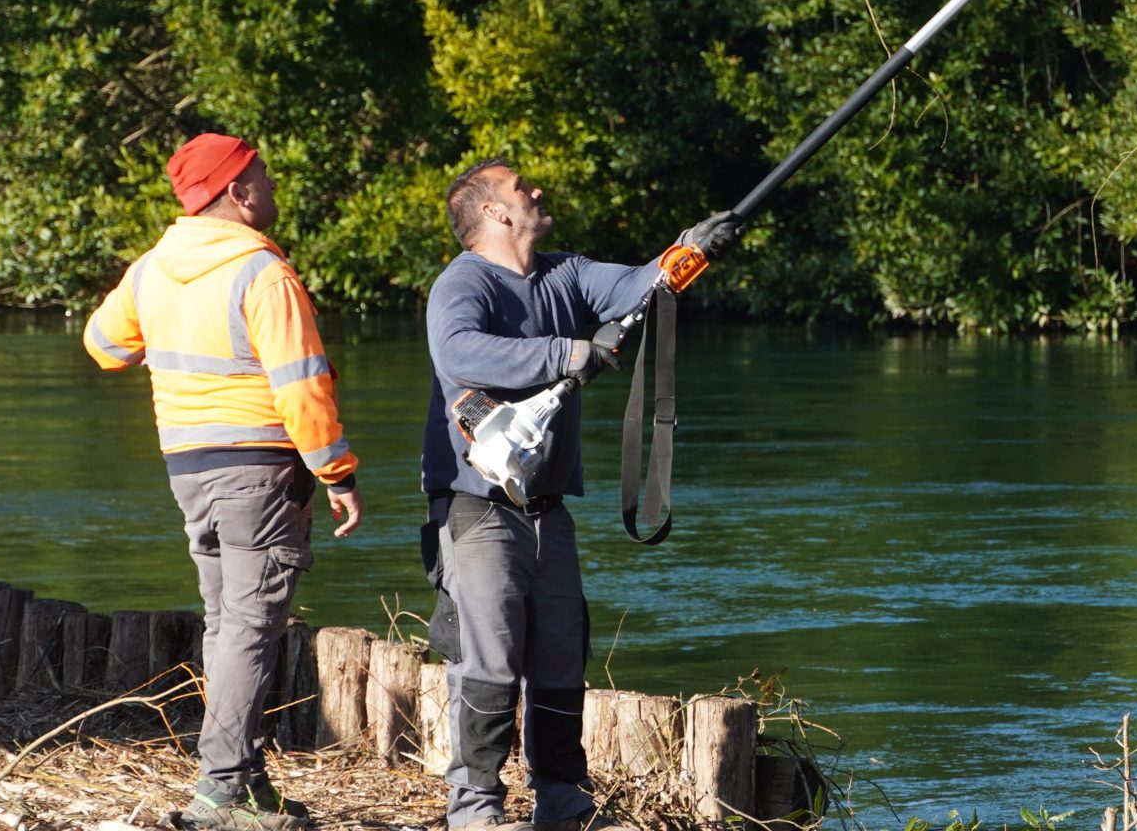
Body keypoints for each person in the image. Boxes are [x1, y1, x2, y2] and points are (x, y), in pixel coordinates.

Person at [422, 159, 733, 831]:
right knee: (491, 658)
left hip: (547, 506)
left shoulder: (564, 273)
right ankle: (474, 808)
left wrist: (691, 251)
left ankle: (562, 800)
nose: (536, 190)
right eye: (519, 188)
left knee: (562, 652)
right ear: (494, 213)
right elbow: (460, 353)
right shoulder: (462, 284)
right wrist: (564, 353)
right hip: (477, 503)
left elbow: (637, 288)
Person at [83, 132, 366, 831]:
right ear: (237, 192)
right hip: (260, 467)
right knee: (250, 627)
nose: (271, 186)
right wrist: (337, 471)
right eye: (263, 175)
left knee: (227, 623)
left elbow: (104, 345)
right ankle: (221, 790)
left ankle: (246, 776)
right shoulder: (262, 272)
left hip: (188, 466)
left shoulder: (153, 267)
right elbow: (301, 386)